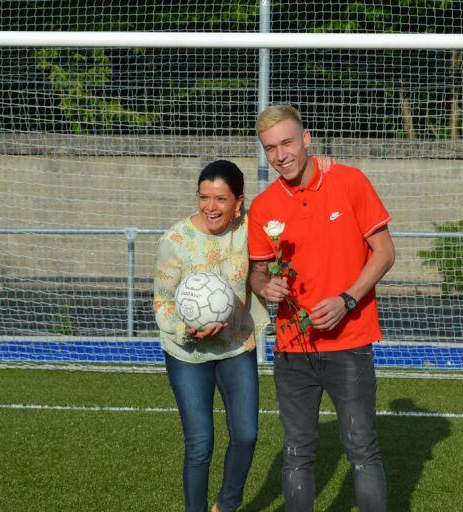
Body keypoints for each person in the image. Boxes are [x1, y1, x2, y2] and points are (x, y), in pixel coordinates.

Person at [248, 105, 395, 511]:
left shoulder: (349, 182)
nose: (280, 155)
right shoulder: (263, 208)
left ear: (307, 139)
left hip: (350, 344)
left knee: (361, 449)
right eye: (270, 148)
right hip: (293, 349)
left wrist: (347, 300)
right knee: (297, 452)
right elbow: (257, 275)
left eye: (287, 143)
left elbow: (384, 252)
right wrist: (266, 287)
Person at [153, 160, 269, 512]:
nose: (210, 207)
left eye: (220, 199)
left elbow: (287, 210)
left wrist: (321, 165)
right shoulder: (175, 241)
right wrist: (188, 328)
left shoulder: (250, 229)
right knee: (200, 443)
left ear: (239, 201)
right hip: (187, 352)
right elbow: (161, 302)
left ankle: (226, 506)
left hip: (236, 346)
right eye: (204, 197)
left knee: (246, 435)